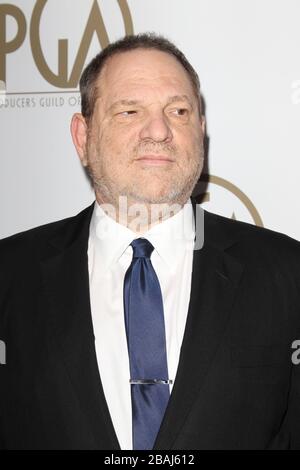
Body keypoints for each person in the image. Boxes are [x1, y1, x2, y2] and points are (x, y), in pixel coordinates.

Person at [0, 33, 300, 451]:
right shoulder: (9, 276)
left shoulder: (287, 274)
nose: (158, 130)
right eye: (129, 111)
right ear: (82, 137)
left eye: (178, 110)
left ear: (201, 130)